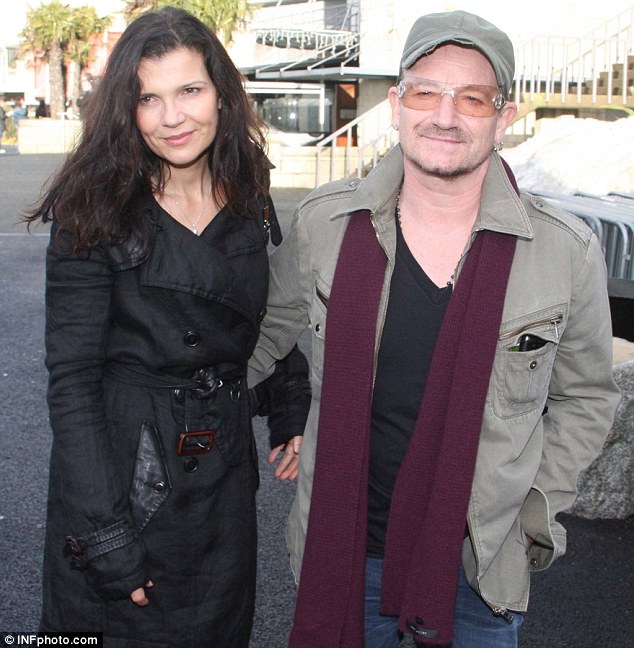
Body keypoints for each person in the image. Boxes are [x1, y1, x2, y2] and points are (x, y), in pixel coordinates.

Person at [247, 10, 621, 648]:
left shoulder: (565, 252)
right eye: (426, 92)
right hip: (343, 554)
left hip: (479, 566)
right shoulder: (324, 227)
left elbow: (587, 396)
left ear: (504, 116)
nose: (445, 116)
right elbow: (256, 343)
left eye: (472, 98)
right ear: (396, 104)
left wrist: (534, 505)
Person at [26, 7, 306, 647]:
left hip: (221, 477)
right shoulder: (91, 205)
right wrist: (105, 534)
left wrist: (289, 402)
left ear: (221, 94)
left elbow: (266, 307)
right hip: (128, 478)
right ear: (125, 108)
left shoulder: (249, 191)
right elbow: (71, 384)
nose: (172, 117)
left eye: (189, 90)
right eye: (148, 98)